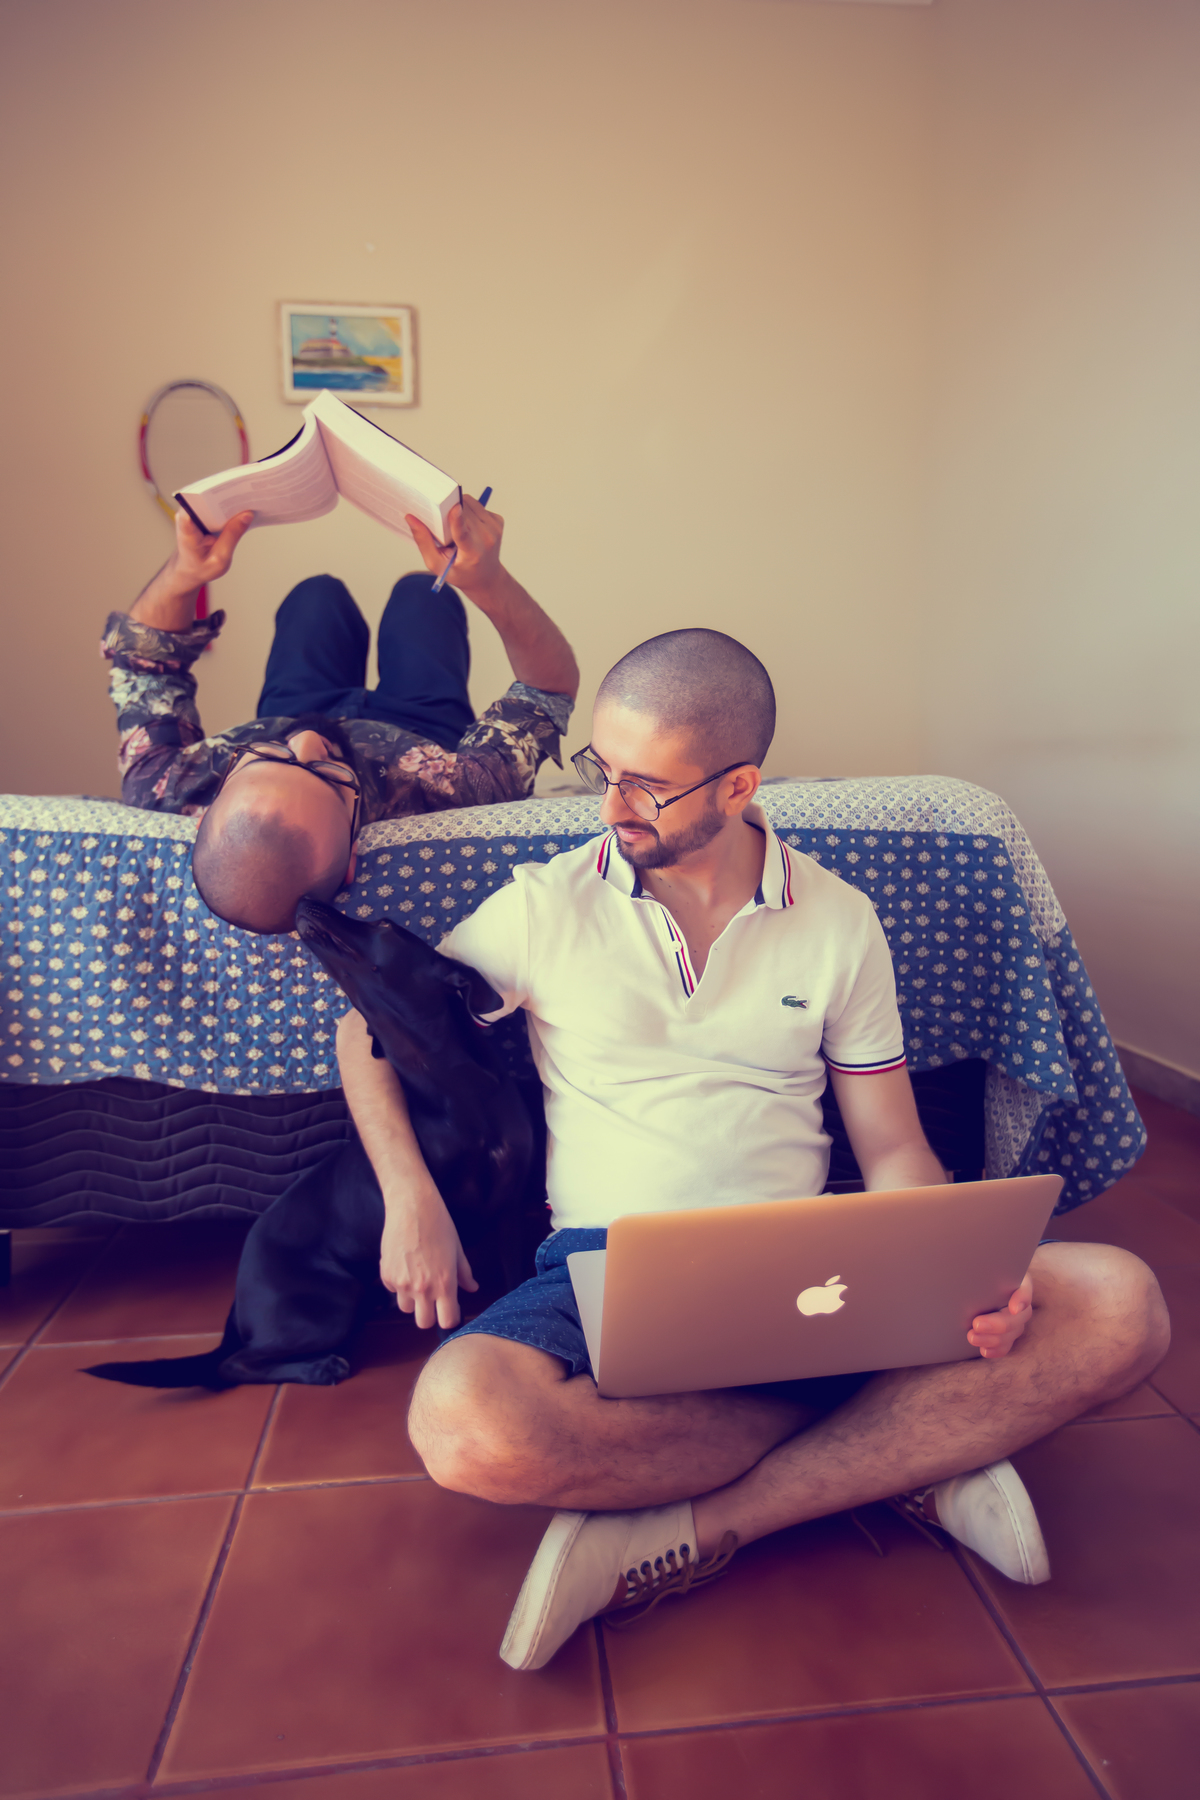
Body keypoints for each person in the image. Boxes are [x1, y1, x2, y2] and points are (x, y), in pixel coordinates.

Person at [335, 627, 1170, 1672]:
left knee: (1120, 1301)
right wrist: (409, 1193)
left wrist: (964, 1274)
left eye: (648, 786)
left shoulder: (838, 920)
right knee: (464, 1421)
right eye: (604, 770)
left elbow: (893, 1144)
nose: (611, 806)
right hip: (604, 1261)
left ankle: (694, 1529)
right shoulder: (547, 905)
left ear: (738, 787)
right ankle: (899, 1449)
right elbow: (370, 1028)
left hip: (810, 1263)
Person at [102, 497, 579, 933]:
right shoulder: (460, 795)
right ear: (352, 858)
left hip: (285, 710)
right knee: (422, 595)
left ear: (208, 805)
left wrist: (184, 571)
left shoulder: (166, 787)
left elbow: (144, 665)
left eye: (268, 761)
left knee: (316, 596)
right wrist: (488, 580)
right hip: (420, 728)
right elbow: (547, 689)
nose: (309, 742)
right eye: (328, 776)